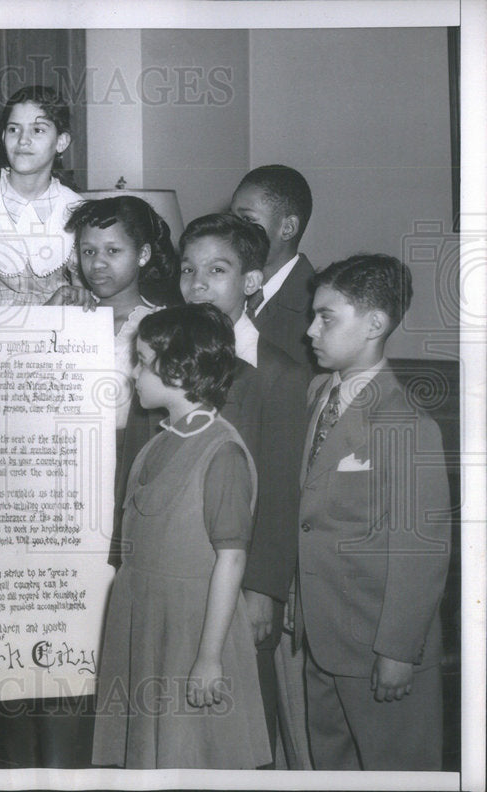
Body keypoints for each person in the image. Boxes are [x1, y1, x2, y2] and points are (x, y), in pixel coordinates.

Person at [92, 303, 270, 769]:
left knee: (190, 753)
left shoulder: (222, 451)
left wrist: (209, 657)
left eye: (144, 361)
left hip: (192, 630)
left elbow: (231, 560)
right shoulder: (160, 439)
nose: (133, 371)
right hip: (147, 619)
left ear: (178, 370)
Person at [297, 254, 450, 770]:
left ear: (375, 324)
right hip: (323, 636)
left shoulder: (404, 423)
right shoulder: (320, 393)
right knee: (332, 767)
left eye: (326, 317)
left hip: (377, 644)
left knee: (396, 768)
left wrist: (399, 651)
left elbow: (420, 550)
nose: (310, 330)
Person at [177, 214, 309, 765]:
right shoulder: (168, 360)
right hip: (178, 566)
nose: (198, 283)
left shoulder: (278, 374)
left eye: (217, 270)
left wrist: (265, 589)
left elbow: (280, 495)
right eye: (188, 270)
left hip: (240, 574)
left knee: (237, 721)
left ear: (251, 282)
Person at [0, 85, 87, 307]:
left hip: (58, 329)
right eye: (14, 129)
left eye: (38, 130)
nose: (23, 140)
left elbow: (81, 295)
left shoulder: (75, 208)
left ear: (61, 142)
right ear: (3, 136)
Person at [67, 195, 181, 430]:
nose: (98, 263)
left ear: (142, 255)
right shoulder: (70, 316)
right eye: (88, 252)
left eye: (113, 251)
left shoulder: (162, 324)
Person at [230, 164, 315, 369]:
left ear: (287, 228)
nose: (232, 231)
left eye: (248, 219)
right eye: (232, 219)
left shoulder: (313, 308)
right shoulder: (225, 289)